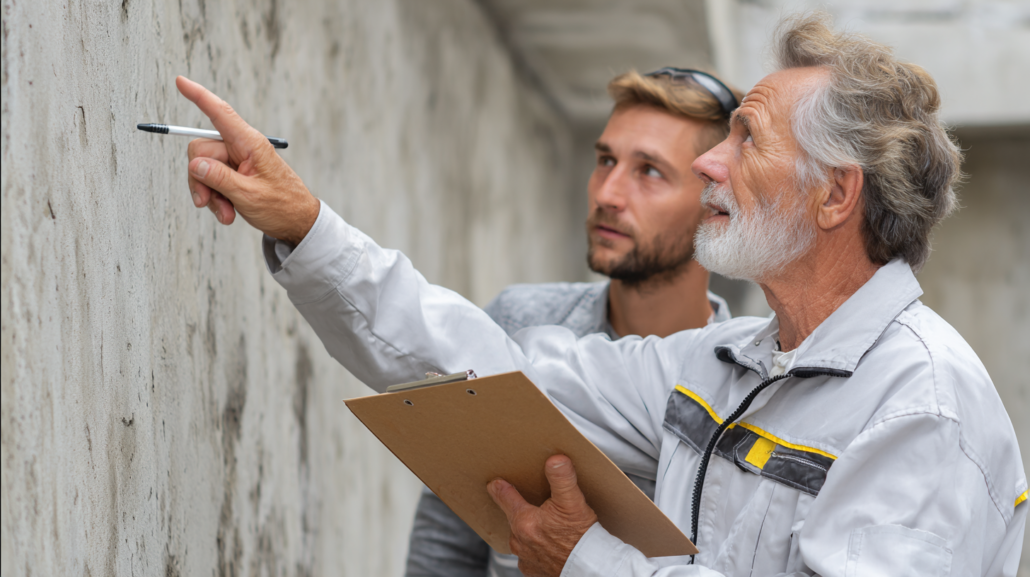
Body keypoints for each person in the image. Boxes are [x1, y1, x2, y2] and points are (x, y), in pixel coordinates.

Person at [177, 12, 1026, 577]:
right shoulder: (729, 364)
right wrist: (306, 223)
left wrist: (587, 560)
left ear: (836, 195)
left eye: (745, 139)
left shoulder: (922, 409)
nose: (709, 166)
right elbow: (487, 372)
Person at [404, 69, 742, 577]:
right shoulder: (518, 324)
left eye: (649, 171)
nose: (607, 191)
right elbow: (448, 539)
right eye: (606, 160)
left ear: (717, 203)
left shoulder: (745, 398)